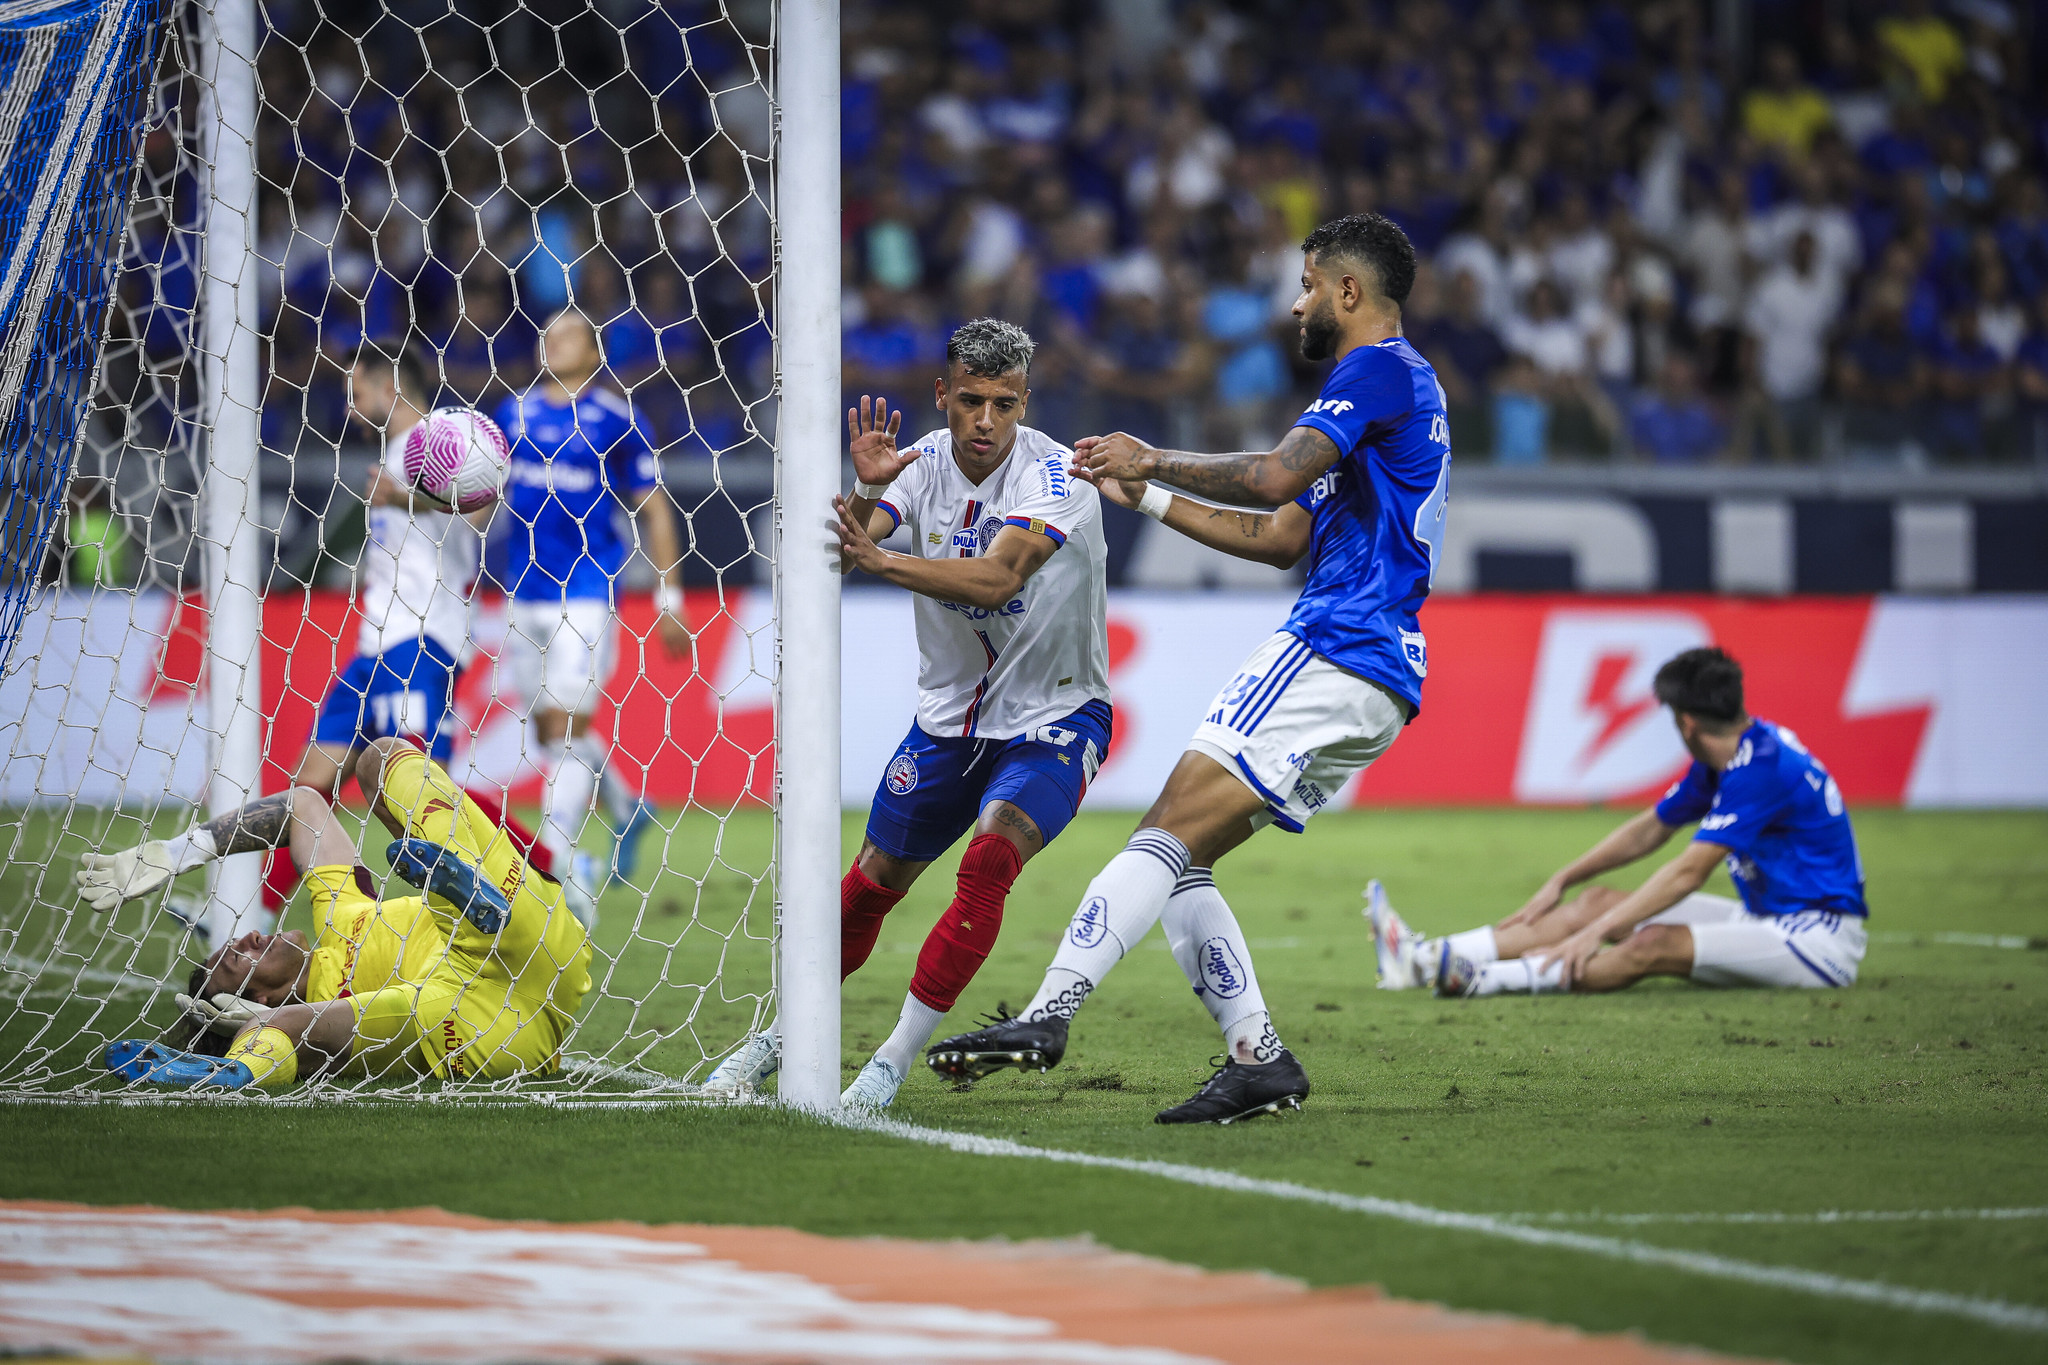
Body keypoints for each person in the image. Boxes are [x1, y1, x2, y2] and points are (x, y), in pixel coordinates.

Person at [928, 213, 1449, 1125]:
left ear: (1348, 292)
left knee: (1163, 830)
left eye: (1307, 284)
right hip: (1377, 669)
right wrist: (1150, 496)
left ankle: (1047, 1016)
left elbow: (1272, 481)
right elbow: (1284, 534)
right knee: (1187, 857)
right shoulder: (1395, 392)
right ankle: (1258, 1057)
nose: (1296, 304)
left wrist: (1152, 452)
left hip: (1338, 644)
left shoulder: (1373, 370)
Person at [704, 319, 1113, 1110]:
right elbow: (847, 546)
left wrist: (883, 559)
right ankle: (779, 1038)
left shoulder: (1060, 480)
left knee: (990, 860)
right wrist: (864, 491)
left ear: (1025, 400)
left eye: (1004, 403)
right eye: (970, 401)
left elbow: (997, 579)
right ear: (943, 396)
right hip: (948, 724)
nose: (987, 420)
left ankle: (889, 1062)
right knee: (868, 888)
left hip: (1056, 715)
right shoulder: (919, 464)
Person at [84, 738, 592, 1089]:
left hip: (517, 931)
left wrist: (183, 852)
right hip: (484, 1023)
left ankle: (461, 883)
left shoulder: (336, 917)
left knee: (378, 761)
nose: (247, 939)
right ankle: (224, 1073)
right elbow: (289, 1029)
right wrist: (244, 1045)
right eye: (236, 961)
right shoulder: (324, 1014)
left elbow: (303, 805)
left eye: (234, 941)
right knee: (313, 1023)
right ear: (256, 998)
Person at [1369, 648, 1868, 998]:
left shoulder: (1759, 771)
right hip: (1766, 916)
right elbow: (1651, 829)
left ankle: (1483, 980)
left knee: (1647, 941)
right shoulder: (1735, 753)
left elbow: (1689, 872)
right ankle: (1422, 960)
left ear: (1686, 722)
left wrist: (1603, 931)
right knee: (1597, 902)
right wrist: (1565, 880)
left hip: (1817, 939)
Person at [256, 345, 539, 930]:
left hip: (422, 639)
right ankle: (250, 912)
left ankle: (547, 867)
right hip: (372, 644)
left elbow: (481, 509)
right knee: (311, 782)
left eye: (356, 389)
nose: (349, 403)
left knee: (420, 795)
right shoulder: (391, 452)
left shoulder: (448, 439)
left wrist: (400, 497)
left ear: (389, 384)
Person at [495, 309, 691, 926]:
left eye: (568, 334)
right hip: (520, 591)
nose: (553, 341)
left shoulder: (617, 418)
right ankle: (626, 803)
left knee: (569, 726)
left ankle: (559, 864)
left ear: (595, 350)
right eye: (546, 333)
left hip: (585, 590)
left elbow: (655, 508)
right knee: (550, 735)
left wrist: (669, 599)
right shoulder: (512, 414)